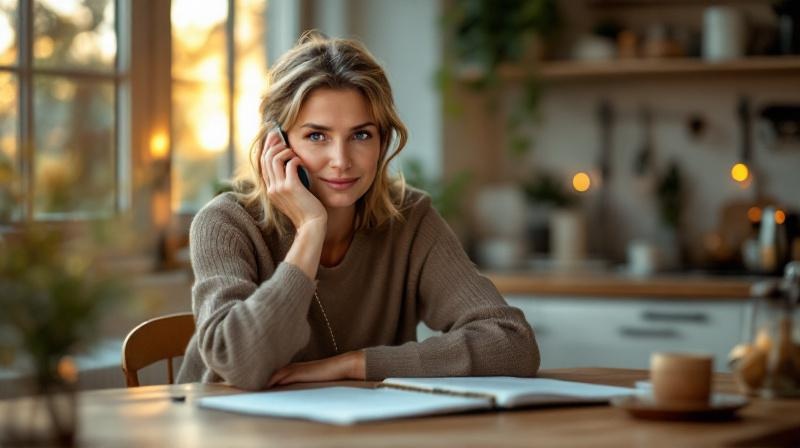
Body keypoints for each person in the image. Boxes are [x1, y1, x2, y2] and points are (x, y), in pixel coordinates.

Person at [176, 33, 539, 390]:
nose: (341, 161)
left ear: (383, 142)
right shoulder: (226, 223)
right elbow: (242, 364)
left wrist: (354, 365)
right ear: (278, 144)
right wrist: (311, 229)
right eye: (317, 136)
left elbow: (512, 343)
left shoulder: (409, 219)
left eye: (361, 135)